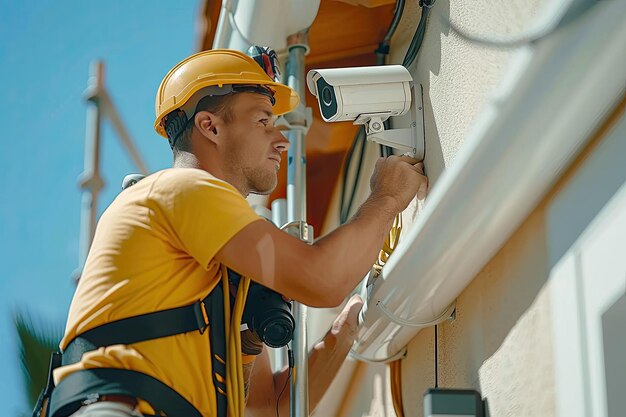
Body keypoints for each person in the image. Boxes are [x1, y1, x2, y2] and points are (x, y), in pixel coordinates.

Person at [47, 48, 428, 417]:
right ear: (210, 126)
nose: (281, 140)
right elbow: (322, 279)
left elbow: (267, 407)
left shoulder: (213, 264)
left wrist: (344, 331)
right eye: (263, 121)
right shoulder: (182, 189)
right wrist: (387, 197)